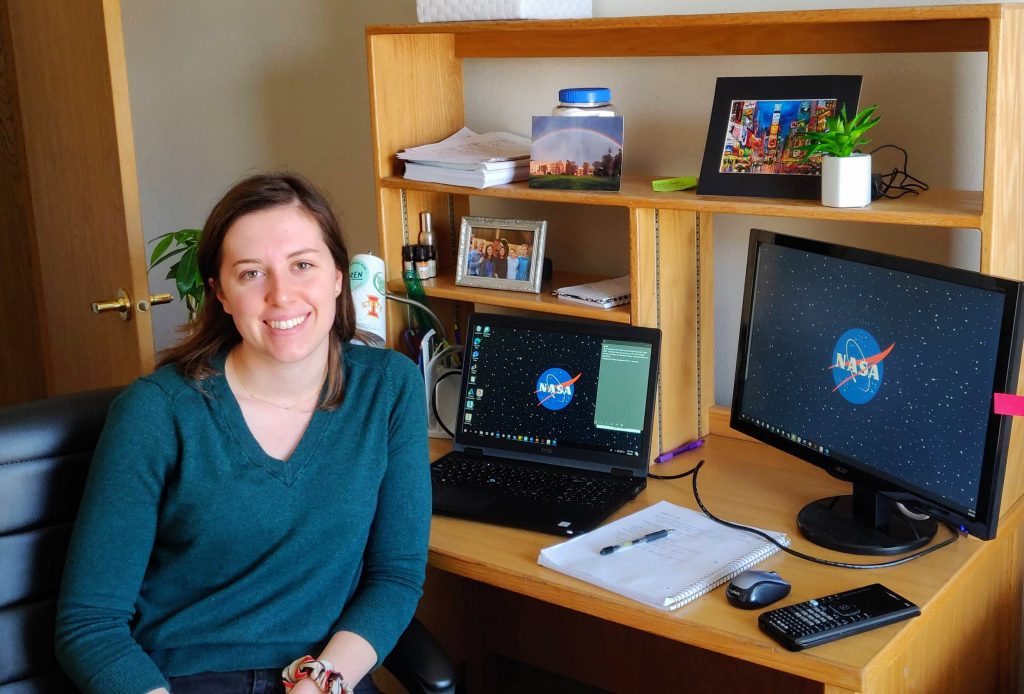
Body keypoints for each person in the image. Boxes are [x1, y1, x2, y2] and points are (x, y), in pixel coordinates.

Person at [55, 173, 430, 694]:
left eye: (303, 265)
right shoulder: (156, 412)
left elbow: (396, 575)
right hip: (180, 680)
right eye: (251, 273)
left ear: (339, 277)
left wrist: (324, 682)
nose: (281, 295)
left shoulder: (390, 387)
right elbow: (89, 625)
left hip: (323, 675)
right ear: (221, 294)